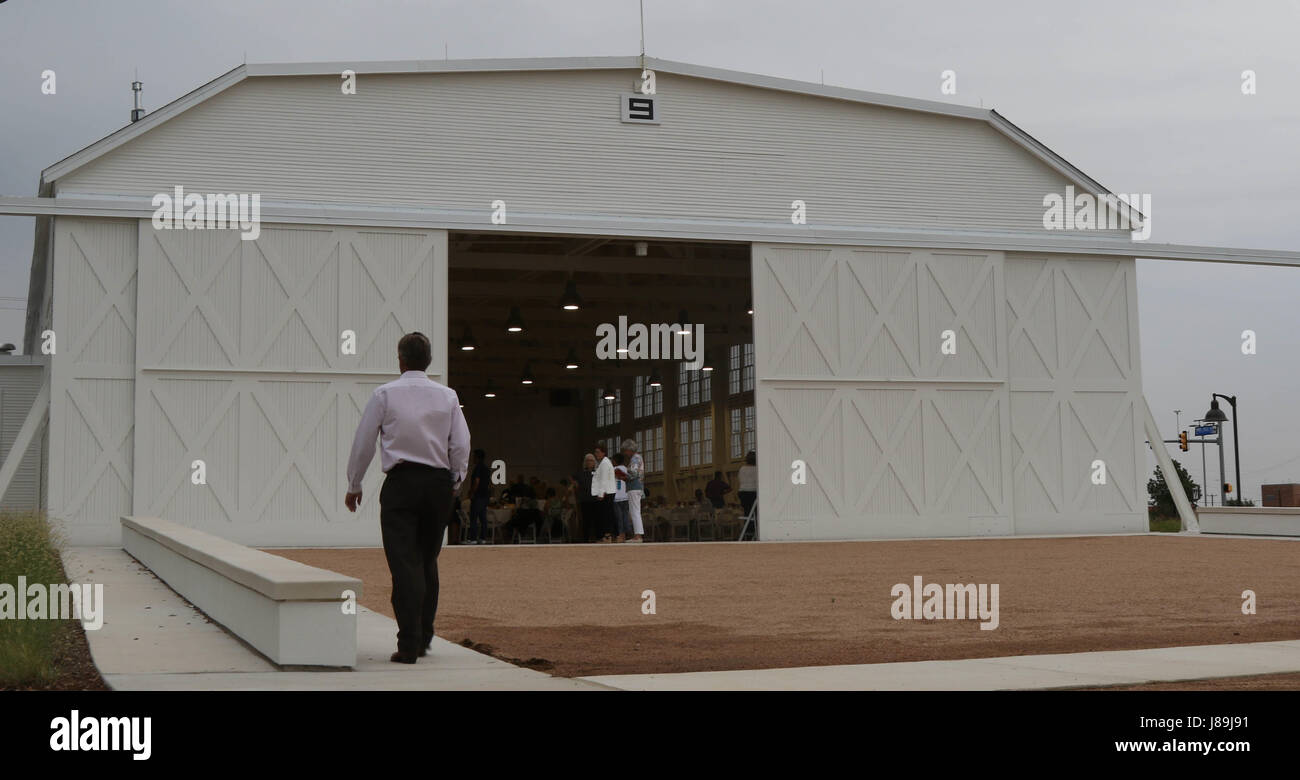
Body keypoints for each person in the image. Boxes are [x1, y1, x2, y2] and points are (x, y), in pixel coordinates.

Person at [345, 332, 469, 664]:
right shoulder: (447, 396)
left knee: (404, 564)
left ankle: (409, 642)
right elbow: (460, 444)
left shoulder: (385, 394)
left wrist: (354, 484)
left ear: (400, 360)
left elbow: (364, 443)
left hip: (401, 483)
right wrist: (455, 480)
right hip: (438, 484)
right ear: (428, 361)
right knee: (427, 561)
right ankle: (425, 636)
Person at [621, 439, 645, 543]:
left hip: (634, 487)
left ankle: (638, 536)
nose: (625, 453)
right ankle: (638, 535)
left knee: (634, 511)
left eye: (625, 450)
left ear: (629, 449)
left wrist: (623, 476)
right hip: (637, 487)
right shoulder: (638, 458)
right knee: (635, 511)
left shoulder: (635, 458)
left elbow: (634, 473)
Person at [591, 444, 617, 542]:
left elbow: (604, 479)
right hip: (607, 492)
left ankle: (608, 535)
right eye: (595, 452)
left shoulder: (605, 463)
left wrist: (601, 493)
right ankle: (607, 535)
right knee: (605, 514)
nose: (596, 454)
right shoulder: (602, 463)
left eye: (598, 452)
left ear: (603, 452)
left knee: (606, 515)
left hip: (607, 492)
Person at [467, 449, 491, 544]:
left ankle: (473, 538)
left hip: (478, 496)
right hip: (485, 496)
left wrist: (472, 492)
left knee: (473, 517)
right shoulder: (486, 468)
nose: (472, 458)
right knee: (483, 517)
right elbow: (490, 484)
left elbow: (476, 481)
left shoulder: (478, 468)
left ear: (477, 457)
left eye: (474, 456)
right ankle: (483, 538)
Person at [574, 454, 597, 543]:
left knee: (595, 519)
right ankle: (585, 538)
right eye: (587, 460)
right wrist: (575, 485)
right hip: (585, 499)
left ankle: (596, 537)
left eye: (591, 460)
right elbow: (572, 478)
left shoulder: (597, 472)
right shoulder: (581, 473)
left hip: (595, 499)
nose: (589, 462)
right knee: (586, 520)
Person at [612, 453, 630, 543]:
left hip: (616, 497)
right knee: (625, 516)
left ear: (615, 461)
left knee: (618, 517)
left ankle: (621, 535)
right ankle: (626, 534)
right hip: (625, 496)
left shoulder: (614, 469)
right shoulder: (627, 469)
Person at [738, 450, 758, 520]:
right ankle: (753, 528)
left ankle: (748, 528)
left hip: (743, 493)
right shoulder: (757, 469)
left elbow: (740, 480)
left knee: (747, 512)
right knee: (755, 512)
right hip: (753, 492)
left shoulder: (742, 469)